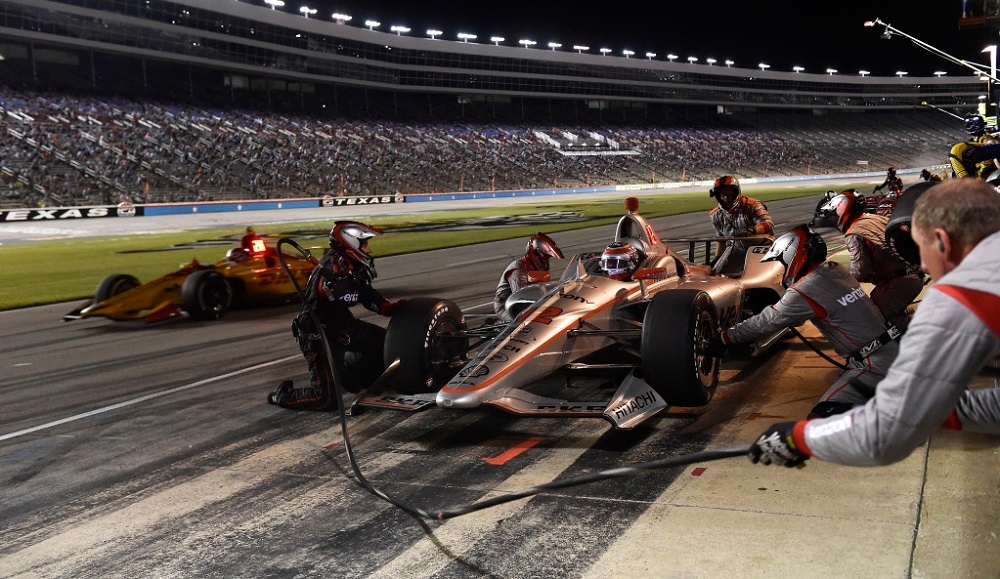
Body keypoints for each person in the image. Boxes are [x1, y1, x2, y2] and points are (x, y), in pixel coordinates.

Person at [749, 178, 1000, 468]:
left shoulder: (962, 299)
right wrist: (926, 409)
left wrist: (801, 437)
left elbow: (882, 437)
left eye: (918, 248)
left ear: (942, 240)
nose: (924, 265)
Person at [705, 225, 900, 419]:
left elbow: (765, 321)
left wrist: (725, 338)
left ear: (795, 256)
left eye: (783, 262)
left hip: (875, 364)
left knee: (819, 420)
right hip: (893, 349)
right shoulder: (836, 270)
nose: (783, 268)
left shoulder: (806, 288)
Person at [268, 221, 407, 410]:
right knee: (326, 399)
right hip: (317, 335)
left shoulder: (350, 265)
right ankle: (282, 396)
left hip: (343, 325)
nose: (369, 249)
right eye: (365, 244)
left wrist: (386, 307)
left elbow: (364, 292)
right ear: (351, 243)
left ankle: (351, 375)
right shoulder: (330, 268)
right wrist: (345, 288)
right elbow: (338, 295)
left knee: (387, 345)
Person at [821, 189, 924, 331]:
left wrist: (839, 281)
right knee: (882, 311)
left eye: (835, 212)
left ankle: (933, 325)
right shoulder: (874, 218)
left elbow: (860, 270)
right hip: (913, 275)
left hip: (898, 282)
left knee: (872, 320)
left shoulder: (853, 233)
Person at [708, 175, 774, 275]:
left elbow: (768, 224)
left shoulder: (753, 205)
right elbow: (721, 240)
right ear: (717, 196)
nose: (726, 197)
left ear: (736, 193)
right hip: (736, 248)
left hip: (761, 246)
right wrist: (717, 258)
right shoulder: (715, 215)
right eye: (722, 194)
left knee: (758, 275)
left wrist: (752, 231)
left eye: (729, 193)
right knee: (717, 273)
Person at [494, 232, 563, 322]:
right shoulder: (518, 269)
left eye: (547, 259)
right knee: (527, 321)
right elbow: (519, 298)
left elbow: (542, 289)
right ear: (536, 254)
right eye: (544, 258)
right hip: (505, 305)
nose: (545, 262)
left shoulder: (536, 268)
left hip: (525, 300)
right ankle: (501, 325)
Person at [949, 115, 1000, 180]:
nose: (972, 128)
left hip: (986, 171)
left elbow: (990, 160)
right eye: (969, 126)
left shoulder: (987, 139)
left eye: (974, 125)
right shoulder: (973, 141)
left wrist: (980, 170)